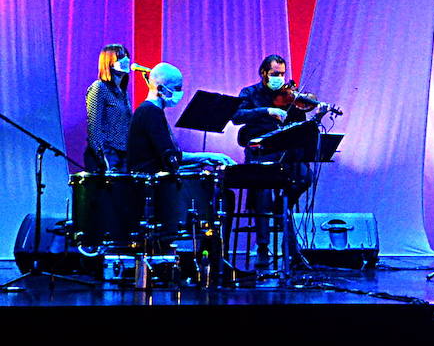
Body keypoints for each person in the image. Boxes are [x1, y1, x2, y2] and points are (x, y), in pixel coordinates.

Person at [231, 54, 320, 261]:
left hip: (285, 151)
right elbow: (237, 117)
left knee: (305, 177)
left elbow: (299, 123)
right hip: (260, 150)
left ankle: (283, 208)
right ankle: (263, 245)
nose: (279, 78)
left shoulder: (288, 96)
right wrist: (266, 111)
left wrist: (309, 110)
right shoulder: (250, 93)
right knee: (262, 190)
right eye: (275, 74)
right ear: (264, 73)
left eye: (282, 74)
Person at [125, 63, 233, 174]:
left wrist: (204, 159)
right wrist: (208, 156)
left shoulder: (151, 110)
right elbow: (170, 155)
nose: (179, 93)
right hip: (147, 183)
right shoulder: (150, 112)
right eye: (176, 88)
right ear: (161, 88)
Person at [85, 44, 134, 172]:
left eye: (126, 56)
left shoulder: (123, 92)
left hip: (124, 153)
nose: (126, 60)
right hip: (108, 154)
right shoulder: (99, 88)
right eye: (120, 56)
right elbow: (94, 127)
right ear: (109, 62)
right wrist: (102, 158)